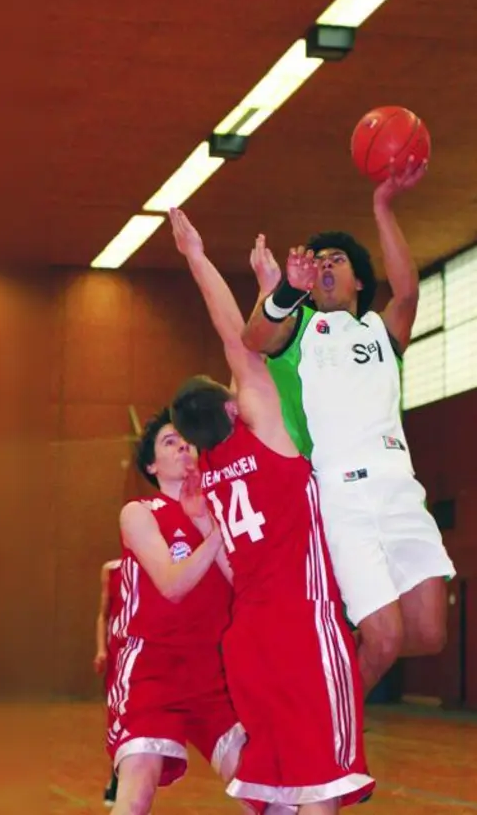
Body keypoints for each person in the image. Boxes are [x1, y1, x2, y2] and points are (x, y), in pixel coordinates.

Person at [169, 206, 373, 813]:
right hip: (302, 627)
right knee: (322, 788)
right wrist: (196, 256)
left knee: (281, 788)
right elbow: (239, 339)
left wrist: (205, 261)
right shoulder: (263, 435)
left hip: (248, 641)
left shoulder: (208, 472)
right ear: (230, 410)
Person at [239, 159, 453, 691]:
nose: (326, 266)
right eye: (319, 262)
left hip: (400, 490)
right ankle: (330, 741)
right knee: (383, 639)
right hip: (343, 496)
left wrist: (382, 205)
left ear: (359, 277)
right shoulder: (301, 329)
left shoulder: (381, 331)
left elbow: (407, 293)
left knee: (428, 633)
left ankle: (328, 648)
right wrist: (286, 289)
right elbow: (254, 338)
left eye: (337, 260)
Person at [106, 409, 243, 815]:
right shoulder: (139, 512)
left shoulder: (218, 514)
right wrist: (218, 534)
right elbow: (172, 584)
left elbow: (241, 583)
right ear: (151, 464)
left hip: (213, 674)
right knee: (137, 790)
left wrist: (207, 522)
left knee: (266, 792)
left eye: (187, 439)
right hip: (153, 668)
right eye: (170, 441)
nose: (183, 446)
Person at [96, 557, 122, 808]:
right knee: (116, 717)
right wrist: (101, 650)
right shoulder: (112, 570)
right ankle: (115, 776)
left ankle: (133, 779)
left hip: (146, 654)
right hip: (118, 655)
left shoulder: (160, 567)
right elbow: (103, 616)